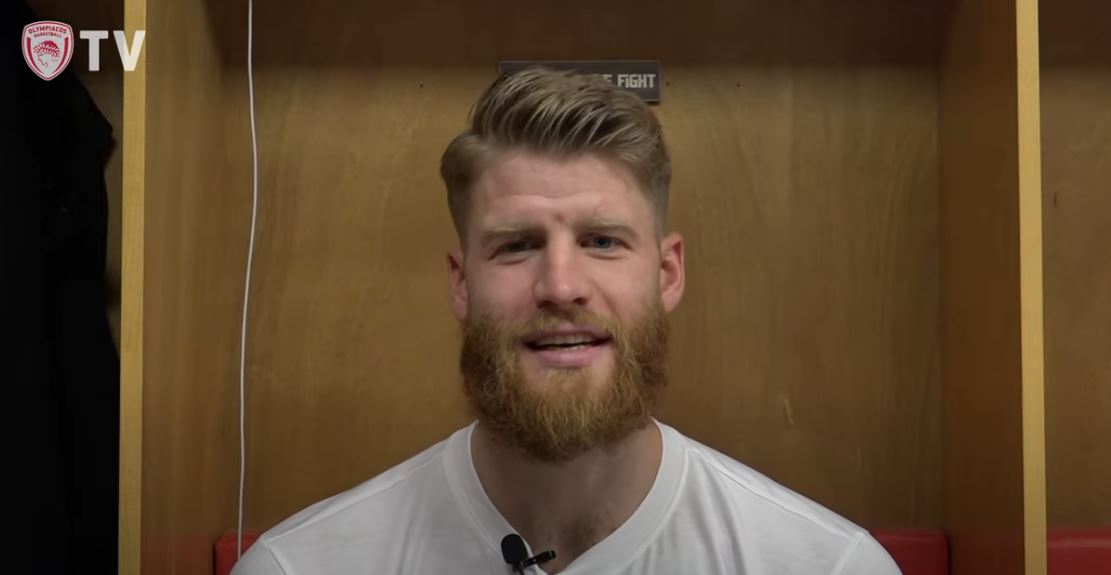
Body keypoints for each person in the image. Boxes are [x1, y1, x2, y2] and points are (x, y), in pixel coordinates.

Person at [232, 68, 901, 575]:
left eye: (602, 241)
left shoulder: (829, 566)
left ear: (667, 274)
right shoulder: (299, 567)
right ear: (461, 282)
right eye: (516, 245)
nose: (559, 286)